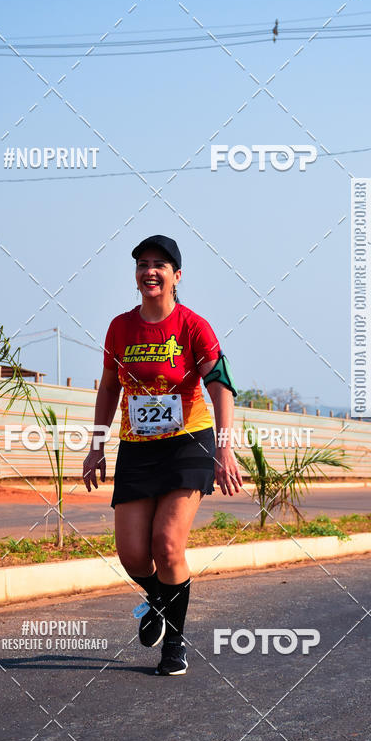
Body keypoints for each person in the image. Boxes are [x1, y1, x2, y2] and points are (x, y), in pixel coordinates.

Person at [83, 235, 242, 675]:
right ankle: (157, 599)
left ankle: (175, 643)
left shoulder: (193, 326)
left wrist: (224, 449)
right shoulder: (120, 328)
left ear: (176, 275)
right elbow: (109, 387)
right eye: (142, 264)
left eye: (160, 264)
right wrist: (96, 444)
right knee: (133, 554)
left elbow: (221, 386)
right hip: (137, 448)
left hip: (187, 445)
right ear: (136, 275)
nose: (149, 271)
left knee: (167, 545)